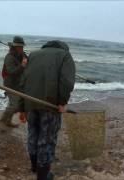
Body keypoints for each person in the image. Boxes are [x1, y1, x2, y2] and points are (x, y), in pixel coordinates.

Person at [18, 40, 75, 180]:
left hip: (30, 103)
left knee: (33, 135)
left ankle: (34, 167)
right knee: (47, 140)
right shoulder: (65, 56)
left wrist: (22, 107)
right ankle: (43, 176)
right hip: (50, 105)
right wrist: (62, 102)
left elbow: (22, 81)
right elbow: (67, 82)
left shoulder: (33, 55)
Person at [0, 36, 28, 131]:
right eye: (19, 47)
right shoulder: (9, 57)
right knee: (14, 105)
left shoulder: (22, 54)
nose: (21, 48)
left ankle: (7, 121)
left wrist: (27, 59)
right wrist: (22, 65)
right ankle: (1, 122)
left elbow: (28, 60)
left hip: (19, 84)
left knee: (16, 105)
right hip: (10, 84)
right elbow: (11, 71)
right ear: (15, 47)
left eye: (22, 47)